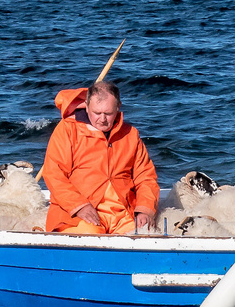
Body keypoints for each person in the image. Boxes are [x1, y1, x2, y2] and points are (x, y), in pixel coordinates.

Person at [41, 80, 159, 235]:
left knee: (145, 238)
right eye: (97, 113)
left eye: (108, 114)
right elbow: (54, 174)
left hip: (123, 213)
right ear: (87, 106)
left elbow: (145, 177)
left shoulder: (131, 134)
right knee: (89, 236)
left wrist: (144, 210)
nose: (102, 119)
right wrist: (80, 206)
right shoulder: (67, 129)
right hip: (76, 214)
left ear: (118, 107)